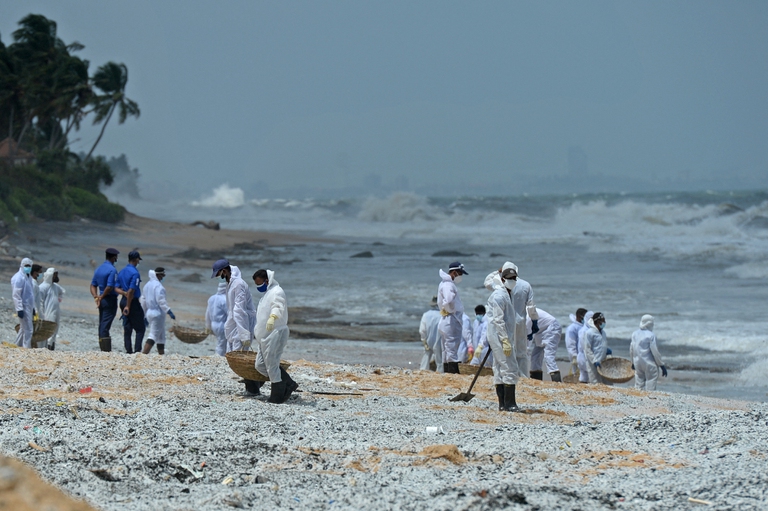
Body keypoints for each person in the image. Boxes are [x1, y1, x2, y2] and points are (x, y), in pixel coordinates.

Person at [212, 258, 259, 395]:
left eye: (219, 273)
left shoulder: (238, 284)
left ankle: (253, 389)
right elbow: (233, 310)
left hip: (243, 321)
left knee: (242, 355)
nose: (219, 277)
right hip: (234, 321)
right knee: (235, 353)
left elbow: (240, 310)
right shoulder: (230, 283)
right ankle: (251, 387)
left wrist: (244, 333)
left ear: (225, 271)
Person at [252, 269, 298, 404]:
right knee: (260, 365)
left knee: (272, 364)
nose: (259, 287)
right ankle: (288, 383)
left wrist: (273, 317)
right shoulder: (266, 294)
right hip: (264, 337)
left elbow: (278, 306)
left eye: (260, 283)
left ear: (267, 280)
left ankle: (276, 396)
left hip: (275, 333)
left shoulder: (277, 291)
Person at [485, 268, 520, 411]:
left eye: (514, 278)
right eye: (509, 278)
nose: (512, 281)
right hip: (500, 336)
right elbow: (498, 321)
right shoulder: (499, 296)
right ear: (503, 279)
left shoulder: (504, 293)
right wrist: (505, 340)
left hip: (499, 336)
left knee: (499, 368)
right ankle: (510, 404)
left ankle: (502, 404)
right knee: (509, 367)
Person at [437, 262, 468, 374]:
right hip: (451, 319)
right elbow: (449, 300)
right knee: (452, 347)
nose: (461, 276)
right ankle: (453, 372)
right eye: (460, 273)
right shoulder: (448, 285)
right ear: (454, 272)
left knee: (446, 348)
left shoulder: (444, 283)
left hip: (446, 319)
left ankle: (447, 371)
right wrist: (449, 309)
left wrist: (445, 308)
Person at [90, 248, 120, 352]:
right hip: (109, 299)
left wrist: (96, 297)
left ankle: (103, 347)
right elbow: (110, 286)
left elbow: (93, 285)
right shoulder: (112, 270)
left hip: (102, 299)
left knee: (102, 322)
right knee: (105, 324)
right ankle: (105, 350)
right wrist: (102, 296)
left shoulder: (99, 269)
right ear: (114, 257)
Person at [141, 268, 175, 355]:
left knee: (161, 335)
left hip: (149, 312)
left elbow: (143, 301)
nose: (163, 278)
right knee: (153, 335)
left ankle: (161, 354)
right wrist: (168, 311)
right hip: (157, 313)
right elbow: (161, 301)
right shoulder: (159, 287)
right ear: (159, 275)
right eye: (162, 276)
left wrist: (144, 314)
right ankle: (144, 354)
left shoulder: (147, 285)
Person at [117, 251, 146, 354]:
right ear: (136, 259)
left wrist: (124, 294)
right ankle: (137, 350)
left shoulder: (122, 271)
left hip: (123, 300)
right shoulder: (135, 273)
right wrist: (128, 306)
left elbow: (116, 288)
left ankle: (128, 349)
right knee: (140, 328)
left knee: (128, 326)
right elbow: (131, 290)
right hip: (131, 302)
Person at [630, 314, 668, 391]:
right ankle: (649, 398)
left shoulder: (634, 334)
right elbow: (655, 352)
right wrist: (661, 365)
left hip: (637, 362)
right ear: (650, 324)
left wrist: (632, 362)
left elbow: (631, 349)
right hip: (649, 363)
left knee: (639, 383)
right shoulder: (651, 335)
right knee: (651, 381)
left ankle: (638, 398)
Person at [526, 308, 563, 381]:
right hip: (541, 330)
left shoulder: (527, 316)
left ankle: (557, 382)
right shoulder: (522, 312)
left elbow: (527, 338)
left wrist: (523, 352)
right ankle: (536, 381)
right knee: (535, 356)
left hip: (552, 328)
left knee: (549, 356)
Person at [38, 267, 65, 350]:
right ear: (51, 276)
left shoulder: (55, 286)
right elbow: (40, 301)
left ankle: (51, 345)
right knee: (48, 330)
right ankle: (46, 347)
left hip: (55, 311)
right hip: (47, 312)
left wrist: (59, 298)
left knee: (54, 329)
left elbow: (62, 292)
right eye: (55, 275)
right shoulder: (42, 287)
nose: (56, 277)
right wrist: (41, 313)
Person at [582, 312, 612, 384]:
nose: (604, 322)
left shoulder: (603, 332)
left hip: (603, 361)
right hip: (593, 363)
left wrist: (606, 350)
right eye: (603, 320)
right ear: (598, 321)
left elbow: (601, 344)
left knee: (607, 382)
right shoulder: (589, 333)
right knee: (595, 383)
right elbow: (587, 349)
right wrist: (594, 361)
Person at [11, 258, 35, 348]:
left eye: (29, 266)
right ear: (22, 265)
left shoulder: (28, 277)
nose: (28, 268)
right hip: (23, 307)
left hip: (28, 306)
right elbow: (16, 295)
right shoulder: (18, 278)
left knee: (23, 328)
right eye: (26, 266)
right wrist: (19, 309)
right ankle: (26, 347)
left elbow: (30, 294)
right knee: (28, 329)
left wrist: (33, 308)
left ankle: (17, 346)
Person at [419, 297, 442, 372]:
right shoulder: (442, 315)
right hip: (439, 340)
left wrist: (424, 340)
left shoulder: (426, 315)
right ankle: (439, 374)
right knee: (439, 361)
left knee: (426, 356)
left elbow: (422, 330)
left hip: (429, 339)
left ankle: (423, 371)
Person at [206, 281, 228, 356]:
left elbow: (208, 313)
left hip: (213, 324)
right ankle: (220, 357)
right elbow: (230, 314)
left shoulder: (212, 298)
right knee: (223, 343)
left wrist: (208, 326)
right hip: (222, 324)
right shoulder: (225, 300)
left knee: (220, 341)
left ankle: (219, 355)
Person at [565, 308, 587, 377]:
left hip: (585, 355)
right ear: (579, 316)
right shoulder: (572, 328)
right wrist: (574, 355)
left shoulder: (584, 326)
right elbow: (570, 343)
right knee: (577, 374)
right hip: (577, 356)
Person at [576, 310, 594, 383]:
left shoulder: (587, 329)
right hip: (584, 357)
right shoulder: (584, 331)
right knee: (591, 376)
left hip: (583, 356)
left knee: (583, 377)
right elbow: (586, 347)